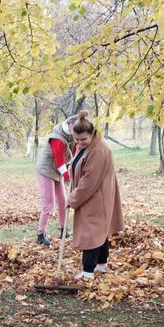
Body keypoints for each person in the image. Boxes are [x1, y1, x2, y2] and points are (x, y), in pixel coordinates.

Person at [67, 111, 124, 280]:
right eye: (76, 139)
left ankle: (88, 272)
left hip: (96, 196)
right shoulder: (87, 145)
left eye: (83, 139)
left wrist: (72, 199)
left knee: (90, 232)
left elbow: (89, 181)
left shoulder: (99, 150)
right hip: (92, 195)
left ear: (93, 133)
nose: (79, 143)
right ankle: (101, 265)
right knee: (99, 230)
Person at [35, 115, 77, 246]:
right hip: (46, 170)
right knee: (48, 203)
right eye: (74, 128)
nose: (76, 131)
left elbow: (73, 154)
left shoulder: (71, 136)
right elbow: (60, 162)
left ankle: (64, 229)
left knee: (63, 201)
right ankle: (40, 234)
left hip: (58, 170)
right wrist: (69, 179)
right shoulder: (57, 139)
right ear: (69, 124)